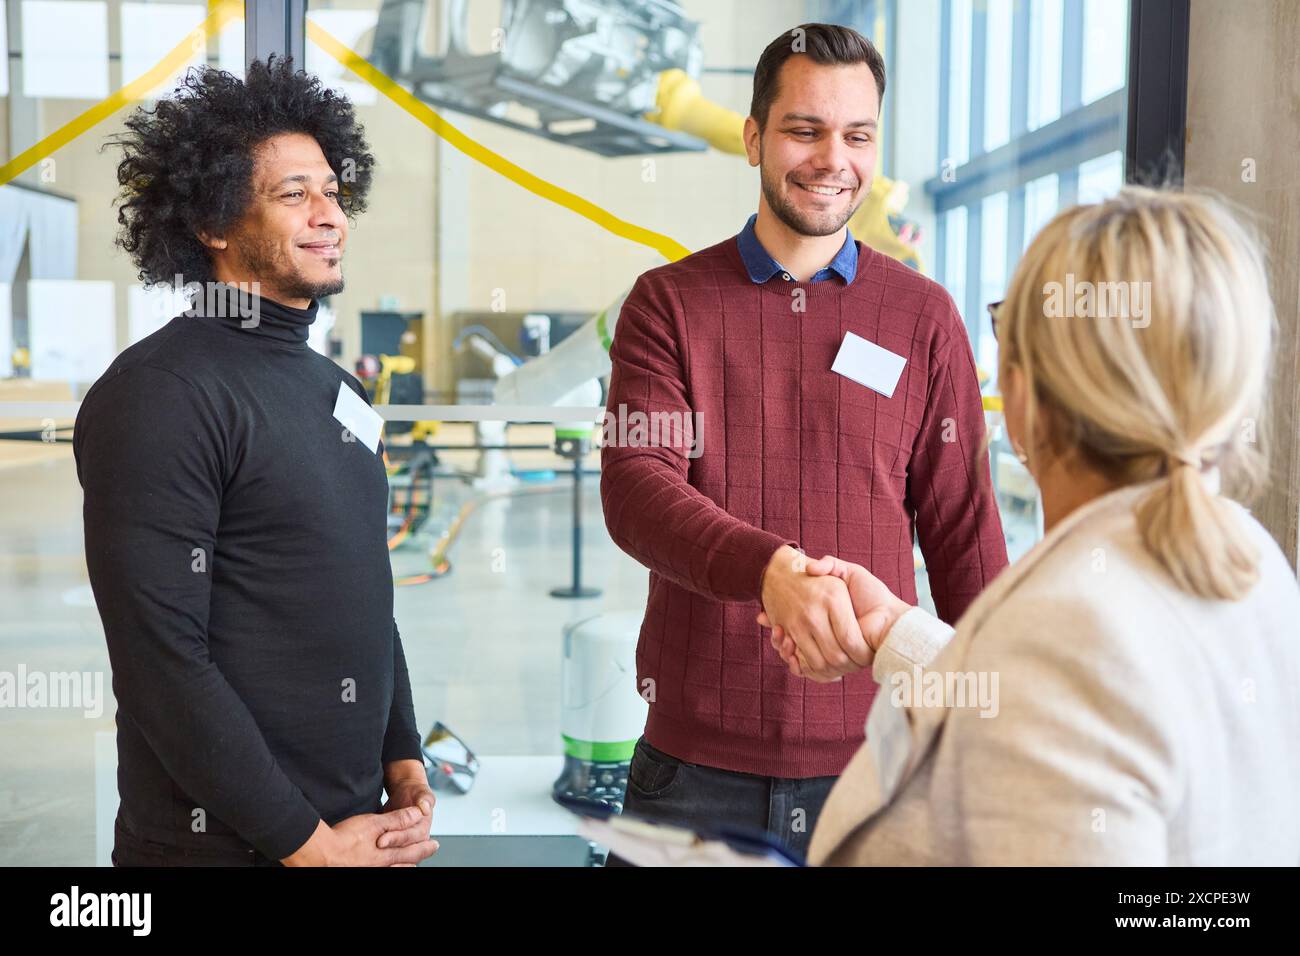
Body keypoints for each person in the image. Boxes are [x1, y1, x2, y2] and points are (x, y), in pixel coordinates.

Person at [768, 186, 1300, 865]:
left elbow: (1067, 693)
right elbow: (1062, 714)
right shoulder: (1249, 556)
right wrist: (899, 634)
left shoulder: (1072, 628)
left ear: (1025, 394)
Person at [600, 23, 1008, 861]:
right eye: (804, 130)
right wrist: (770, 573)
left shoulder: (923, 317)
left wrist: (1003, 716)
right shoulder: (668, 304)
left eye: (857, 135)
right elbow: (637, 488)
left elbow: (965, 535)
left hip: (880, 761)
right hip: (694, 771)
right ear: (753, 138)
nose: (833, 159)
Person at [74, 58, 438, 866]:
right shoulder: (161, 393)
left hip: (352, 829)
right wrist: (306, 844)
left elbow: (363, 591)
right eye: (294, 194)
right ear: (213, 222)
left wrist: (402, 755)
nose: (330, 216)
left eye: (335, 194)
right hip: (224, 848)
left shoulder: (338, 389)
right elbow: (160, 663)